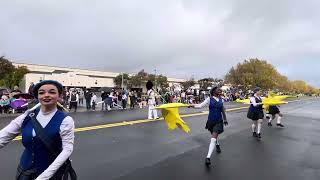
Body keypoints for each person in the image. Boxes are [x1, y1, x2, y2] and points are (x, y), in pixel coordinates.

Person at [0, 80, 76, 179]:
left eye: (52, 92)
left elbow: (67, 150)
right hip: (24, 172)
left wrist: (44, 177)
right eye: (41, 92)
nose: (46, 95)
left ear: (59, 96)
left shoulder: (66, 120)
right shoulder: (27, 116)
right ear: (37, 96)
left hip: (51, 174)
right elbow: (4, 136)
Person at [192, 87, 228, 166]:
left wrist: (225, 119)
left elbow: (222, 110)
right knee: (214, 137)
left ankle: (208, 157)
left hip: (219, 121)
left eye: (220, 90)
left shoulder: (222, 100)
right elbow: (200, 106)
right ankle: (217, 145)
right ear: (214, 91)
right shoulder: (209, 99)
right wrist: (192, 105)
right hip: (211, 121)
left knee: (213, 138)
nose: (220, 91)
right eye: (218, 90)